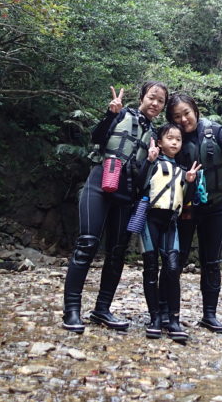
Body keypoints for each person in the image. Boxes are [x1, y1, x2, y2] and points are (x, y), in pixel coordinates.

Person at [61, 81, 168, 333]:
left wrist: (151, 162)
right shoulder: (120, 114)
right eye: (152, 97)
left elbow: (143, 180)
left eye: (160, 101)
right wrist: (110, 113)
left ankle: (102, 309)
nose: (155, 103)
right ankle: (72, 310)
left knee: (117, 252)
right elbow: (96, 137)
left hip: (126, 194)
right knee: (87, 243)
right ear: (142, 97)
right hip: (100, 182)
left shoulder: (154, 136)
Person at [165, 93, 222, 334]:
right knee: (175, 261)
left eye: (186, 113)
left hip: (215, 207)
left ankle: (209, 315)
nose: (183, 120)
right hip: (184, 208)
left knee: (211, 262)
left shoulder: (213, 130)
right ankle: (168, 314)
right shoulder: (171, 136)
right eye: (177, 116)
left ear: (195, 111)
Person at [136, 124, 201, 342]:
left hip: (171, 222)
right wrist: (148, 161)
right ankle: (155, 318)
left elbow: (188, 198)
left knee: (173, 269)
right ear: (160, 142)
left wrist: (191, 182)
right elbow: (139, 185)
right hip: (150, 220)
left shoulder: (184, 171)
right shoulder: (153, 164)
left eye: (178, 139)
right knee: (151, 269)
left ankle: (173, 319)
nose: (174, 142)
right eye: (169, 138)